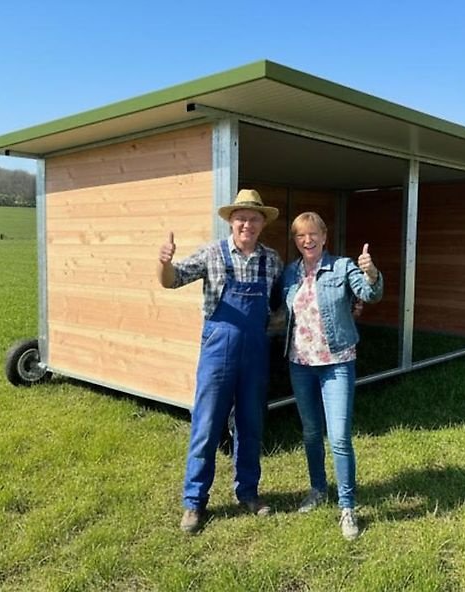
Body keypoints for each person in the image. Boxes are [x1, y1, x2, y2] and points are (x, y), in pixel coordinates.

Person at [157, 188, 284, 534]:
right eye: (241, 217)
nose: (247, 224)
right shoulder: (212, 254)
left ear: (262, 223)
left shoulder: (272, 260)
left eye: (254, 218)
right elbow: (172, 281)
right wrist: (164, 262)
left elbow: (281, 304)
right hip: (217, 352)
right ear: (231, 221)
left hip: (256, 354)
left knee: (251, 425)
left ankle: (248, 493)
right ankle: (194, 502)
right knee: (207, 425)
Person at [281, 211, 383, 540]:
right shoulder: (289, 273)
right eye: (300, 236)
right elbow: (281, 311)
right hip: (300, 363)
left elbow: (369, 295)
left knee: (338, 436)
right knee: (311, 432)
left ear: (325, 236)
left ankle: (347, 506)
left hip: (337, 361)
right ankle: (317, 489)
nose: (307, 240)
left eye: (313, 234)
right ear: (295, 241)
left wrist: (371, 273)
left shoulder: (342, 267)